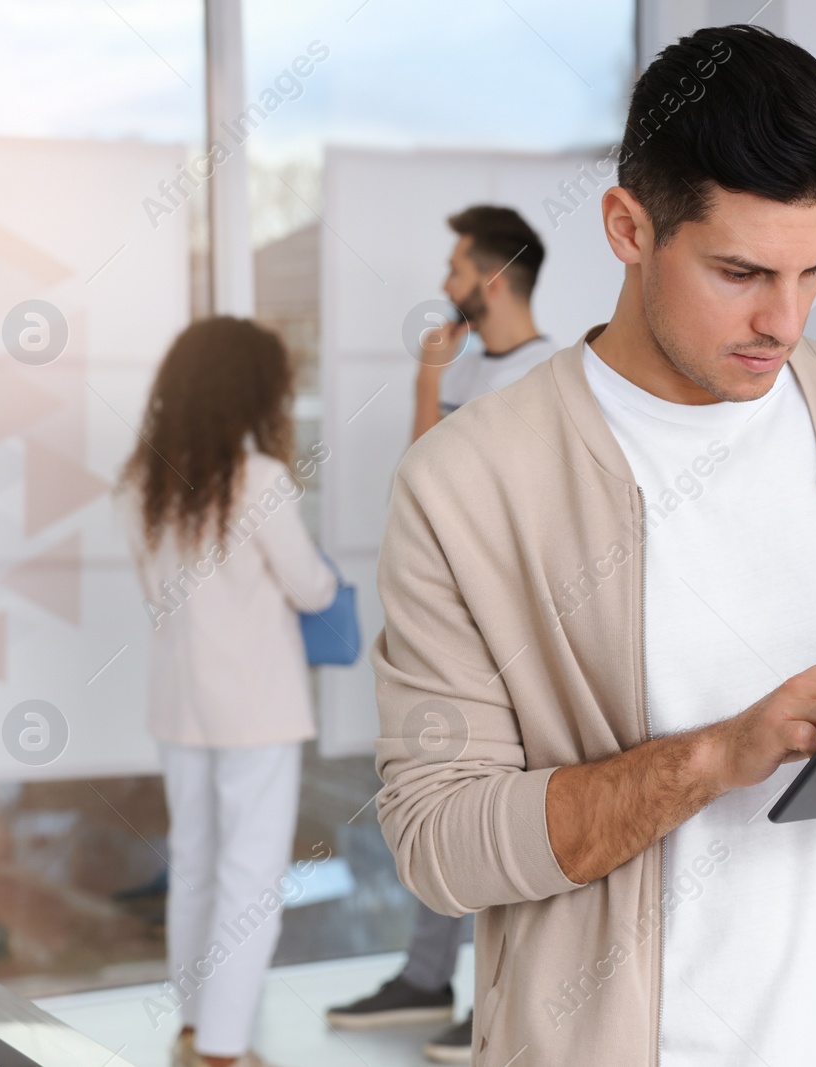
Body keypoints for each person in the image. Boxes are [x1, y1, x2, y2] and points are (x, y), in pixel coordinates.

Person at [372, 25, 816, 1067]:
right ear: (627, 227)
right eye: (738, 271)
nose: (782, 320)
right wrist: (714, 756)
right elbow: (437, 843)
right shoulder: (468, 484)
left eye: (813, 271)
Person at [326, 205, 550, 1062]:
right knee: (442, 802)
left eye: (458, 267)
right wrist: (431, 381)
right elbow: (424, 491)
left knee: (505, 814)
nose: (446, 284)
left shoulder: (551, 373)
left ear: (493, 279)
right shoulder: (468, 375)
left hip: (515, 635)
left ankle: (501, 1000)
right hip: (454, 631)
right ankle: (426, 977)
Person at [119, 317, 338, 1067]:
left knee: (195, 866)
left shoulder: (140, 481)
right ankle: (222, 1048)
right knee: (250, 880)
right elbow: (311, 589)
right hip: (257, 708)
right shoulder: (261, 480)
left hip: (180, 704)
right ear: (251, 390)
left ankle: (192, 1026)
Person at [410, 205, 554, 444]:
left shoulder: (540, 383)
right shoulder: (458, 371)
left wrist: (427, 379)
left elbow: (430, 478)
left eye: (455, 272)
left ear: (493, 283)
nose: (445, 286)